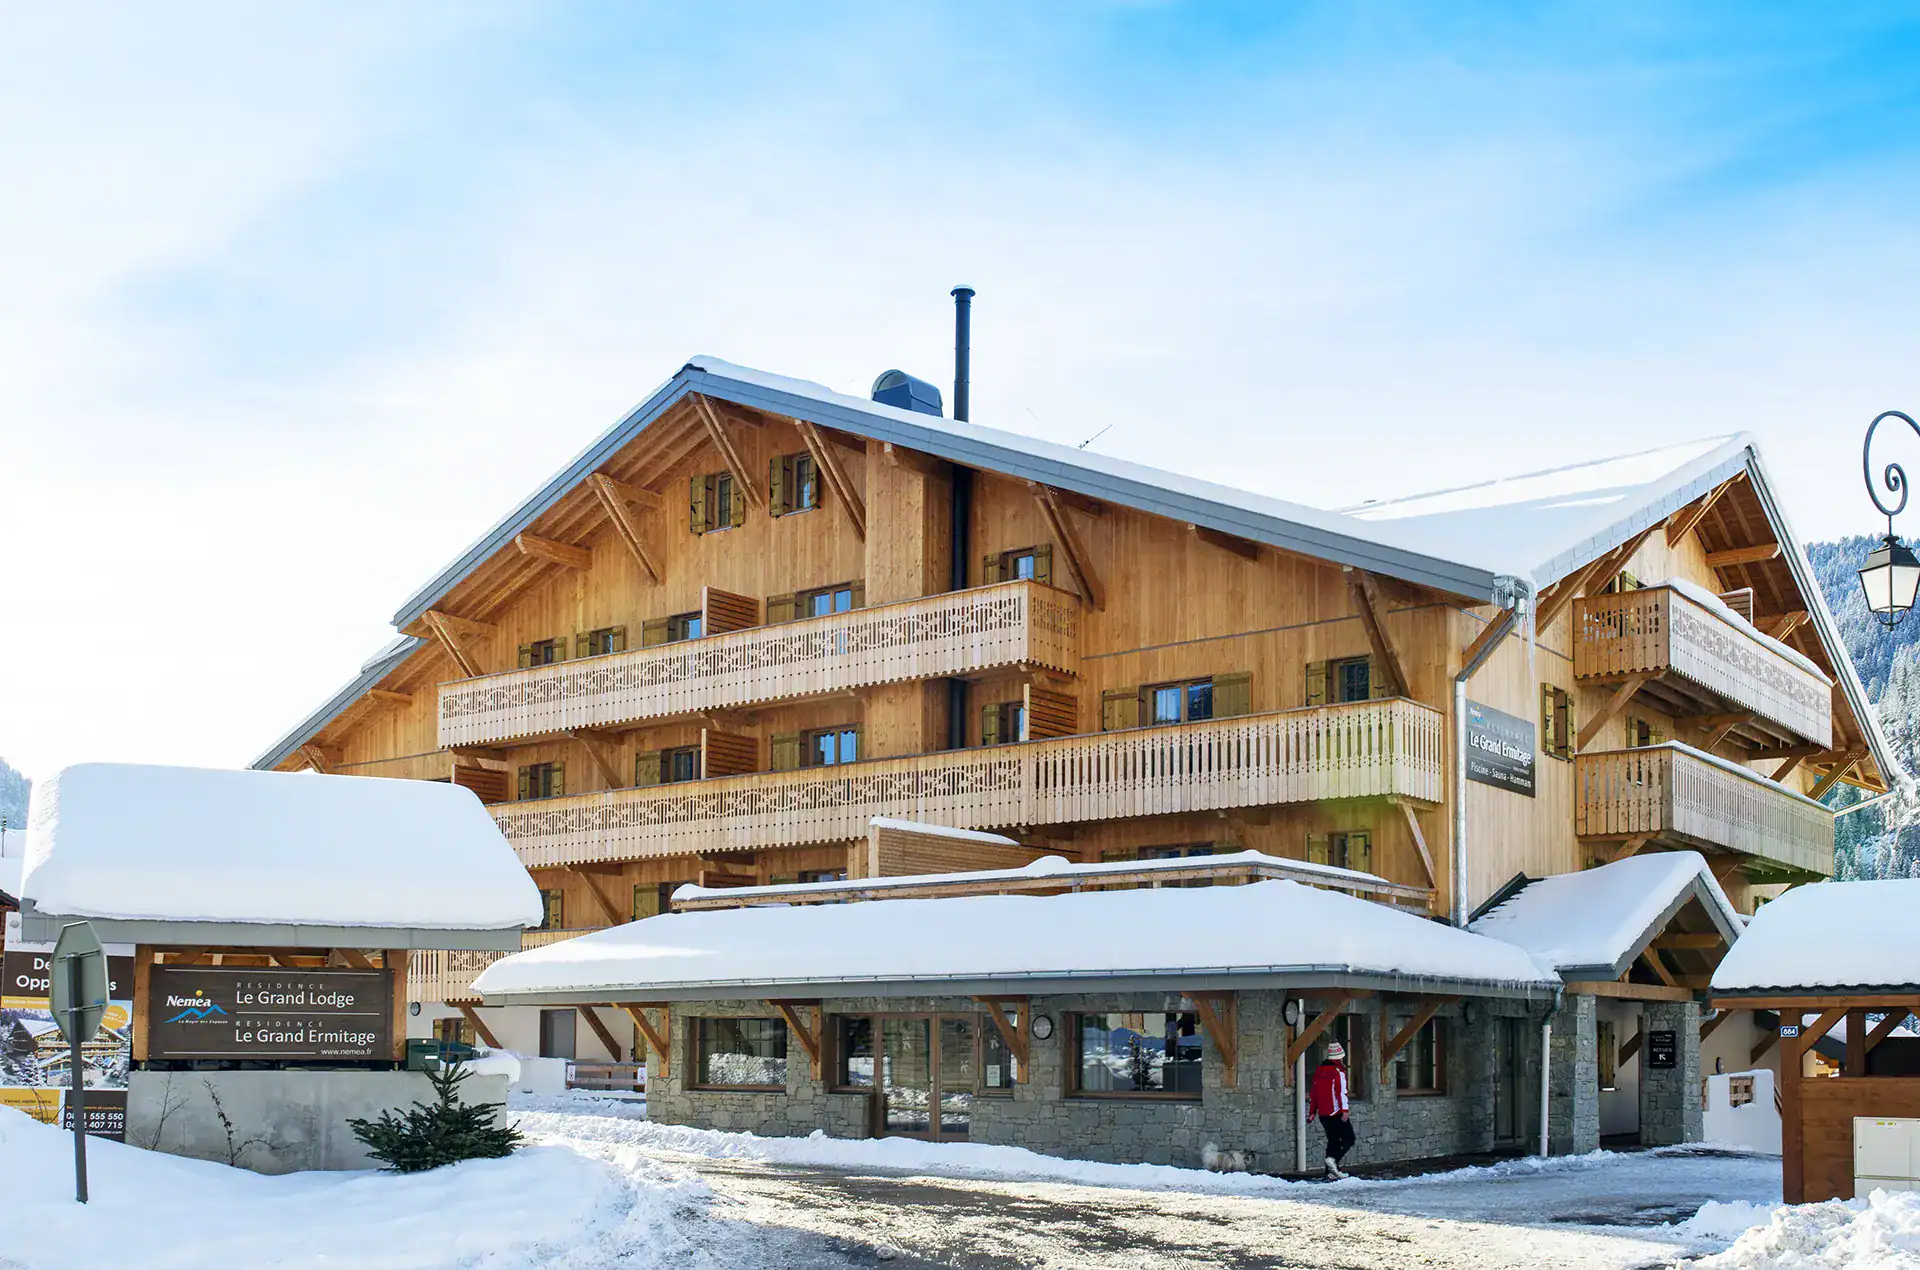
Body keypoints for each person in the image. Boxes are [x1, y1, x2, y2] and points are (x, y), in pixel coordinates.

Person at [1308, 1040, 1355, 1180]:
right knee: (1349, 1138)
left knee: (1333, 1140)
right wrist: (1344, 1110)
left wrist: (1312, 1113)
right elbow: (1341, 1093)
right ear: (1339, 1057)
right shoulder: (1338, 1072)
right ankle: (1333, 1160)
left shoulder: (1319, 1071)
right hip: (1336, 1112)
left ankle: (1329, 1172)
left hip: (1323, 1113)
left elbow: (1314, 1094)